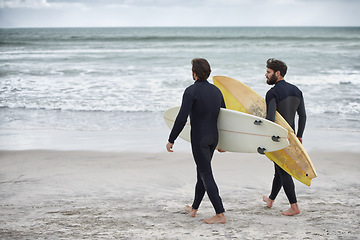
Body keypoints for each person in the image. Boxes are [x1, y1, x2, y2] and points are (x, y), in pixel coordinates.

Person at [166, 58, 226, 224]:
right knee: (202, 172)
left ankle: (220, 214)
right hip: (213, 138)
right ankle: (194, 209)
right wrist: (223, 142)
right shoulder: (216, 91)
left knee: (205, 173)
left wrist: (172, 139)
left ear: (194, 73)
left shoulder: (191, 91)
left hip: (199, 138)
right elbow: (225, 117)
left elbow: (181, 118)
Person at [262, 58, 306, 216]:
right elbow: (303, 115)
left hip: (277, 137)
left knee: (283, 171)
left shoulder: (272, 93)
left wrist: (264, 139)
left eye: (268, 72)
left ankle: (294, 206)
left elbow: (270, 118)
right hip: (291, 136)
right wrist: (299, 135)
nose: (265, 75)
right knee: (279, 169)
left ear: (277, 73)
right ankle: (271, 199)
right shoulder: (296, 90)